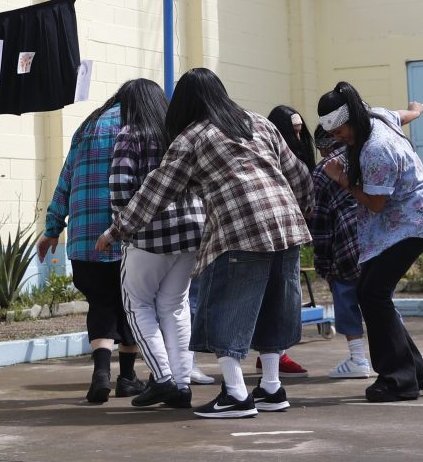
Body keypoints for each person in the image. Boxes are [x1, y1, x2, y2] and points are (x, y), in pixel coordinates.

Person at [97, 68, 315, 420]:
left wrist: (116, 229)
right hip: (288, 226)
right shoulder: (259, 122)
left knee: (225, 310)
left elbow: (157, 189)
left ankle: (235, 394)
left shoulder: (192, 137)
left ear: (184, 103)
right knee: (274, 308)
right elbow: (298, 174)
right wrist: (305, 208)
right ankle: (271, 388)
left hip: (240, 230)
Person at [316, 81, 423, 402]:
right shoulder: (377, 116)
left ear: (353, 119)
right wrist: (416, 110)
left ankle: (398, 380)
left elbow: (375, 203)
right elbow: (401, 115)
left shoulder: (375, 150)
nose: (340, 140)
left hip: (412, 222)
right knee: (369, 292)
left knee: (373, 293)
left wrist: (340, 178)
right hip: (403, 221)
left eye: (342, 132)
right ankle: (413, 371)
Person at [38, 91, 144, 404]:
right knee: (132, 306)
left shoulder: (87, 127)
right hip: (124, 237)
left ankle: (100, 374)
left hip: (84, 241)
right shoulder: (138, 127)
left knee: (100, 304)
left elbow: (64, 180)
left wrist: (52, 229)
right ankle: (127, 378)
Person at [108, 77, 205, 409]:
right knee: (175, 307)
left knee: (137, 305)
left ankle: (162, 379)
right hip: (192, 233)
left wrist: (119, 228)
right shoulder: (180, 133)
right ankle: (182, 384)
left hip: (147, 237)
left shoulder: (131, 134)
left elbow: (121, 188)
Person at [309, 124, 374, 379]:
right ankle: (397, 354)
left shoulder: (323, 172)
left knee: (346, 298)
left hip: (346, 244)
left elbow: (321, 224)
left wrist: (323, 263)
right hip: (378, 239)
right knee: (381, 300)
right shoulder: (365, 155)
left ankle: (358, 359)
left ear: (324, 146)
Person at [259, 105, 317, 376]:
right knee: (278, 295)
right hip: (277, 229)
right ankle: (274, 354)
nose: (297, 136)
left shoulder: (300, 151)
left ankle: (273, 353)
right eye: (292, 131)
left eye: (299, 130)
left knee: (282, 294)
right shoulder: (275, 152)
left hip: (292, 228)